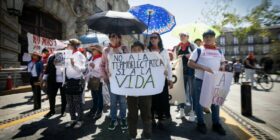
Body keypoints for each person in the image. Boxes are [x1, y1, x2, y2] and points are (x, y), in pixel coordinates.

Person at [188, 30, 226, 135]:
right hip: (200, 80)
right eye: (206, 36)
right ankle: (200, 123)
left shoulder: (219, 51)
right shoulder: (198, 50)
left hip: (215, 80)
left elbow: (223, 61)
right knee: (200, 103)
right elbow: (190, 63)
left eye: (211, 36)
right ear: (203, 39)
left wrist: (223, 65)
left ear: (214, 38)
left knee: (215, 102)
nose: (208, 38)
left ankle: (216, 124)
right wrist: (203, 67)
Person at [100, 33, 129, 131]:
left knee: (122, 101)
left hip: (122, 80)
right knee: (113, 101)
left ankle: (123, 118)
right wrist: (104, 76)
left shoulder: (125, 49)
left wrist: (122, 52)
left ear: (119, 38)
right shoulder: (106, 50)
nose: (112, 38)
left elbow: (130, 62)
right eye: (110, 36)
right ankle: (113, 119)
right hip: (111, 80)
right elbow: (102, 65)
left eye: (114, 36)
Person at [148, 32, 173, 129]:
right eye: (151, 38)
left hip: (162, 80)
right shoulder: (147, 50)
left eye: (155, 37)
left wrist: (170, 79)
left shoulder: (164, 51)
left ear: (159, 39)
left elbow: (168, 66)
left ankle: (161, 120)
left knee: (162, 100)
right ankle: (152, 119)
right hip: (150, 81)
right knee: (152, 100)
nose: (153, 39)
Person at [127, 41, 152, 140]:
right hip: (131, 94)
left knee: (146, 115)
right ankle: (132, 135)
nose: (136, 52)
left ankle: (147, 135)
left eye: (139, 50)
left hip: (145, 94)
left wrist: (163, 71)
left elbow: (156, 70)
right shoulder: (126, 62)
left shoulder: (149, 61)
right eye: (134, 50)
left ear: (143, 51)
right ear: (131, 51)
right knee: (132, 115)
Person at [64, 39, 86, 129]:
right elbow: (63, 67)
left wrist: (74, 65)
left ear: (73, 45)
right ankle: (73, 118)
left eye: (68, 44)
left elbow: (83, 69)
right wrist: (58, 64)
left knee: (77, 102)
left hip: (77, 81)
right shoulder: (66, 54)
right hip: (68, 81)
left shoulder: (80, 55)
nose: (66, 46)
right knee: (70, 102)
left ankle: (80, 120)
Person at [174, 32, 196, 119]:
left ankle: (192, 112)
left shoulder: (192, 46)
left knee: (191, 93)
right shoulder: (178, 46)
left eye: (183, 36)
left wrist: (186, 55)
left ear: (188, 37)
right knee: (181, 92)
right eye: (180, 36)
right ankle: (181, 111)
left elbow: (196, 56)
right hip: (180, 72)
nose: (181, 37)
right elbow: (175, 58)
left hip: (191, 72)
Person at [43, 48, 67, 118]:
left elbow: (68, 68)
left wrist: (61, 65)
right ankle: (52, 110)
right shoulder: (51, 57)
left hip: (63, 80)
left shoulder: (66, 58)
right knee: (51, 96)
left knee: (64, 96)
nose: (59, 51)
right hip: (52, 80)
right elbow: (47, 69)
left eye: (61, 49)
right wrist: (44, 79)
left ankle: (63, 111)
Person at [87, 45, 103, 120]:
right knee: (94, 95)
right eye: (92, 50)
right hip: (92, 78)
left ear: (98, 51)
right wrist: (90, 67)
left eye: (94, 50)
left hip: (98, 79)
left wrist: (94, 67)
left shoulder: (101, 58)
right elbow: (89, 68)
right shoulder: (93, 58)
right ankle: (94, 108)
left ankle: (99, 110)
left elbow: (102, 70)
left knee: (99, 95)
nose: (92, 51)